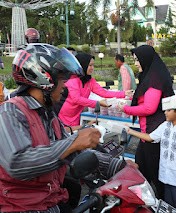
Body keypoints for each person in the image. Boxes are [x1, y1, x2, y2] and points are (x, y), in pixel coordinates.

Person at [0, 43, 128, 212]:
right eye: (60, 79)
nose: (64, 86)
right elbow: (18, 163)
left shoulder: (48, 115)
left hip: (51, 199)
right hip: (22, 207)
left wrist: (117, 165)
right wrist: (74, 143)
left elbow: (72, 148)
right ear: (43, 79)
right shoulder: (10, 112)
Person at [118, 45, 175, 199]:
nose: (136, 64)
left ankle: (161, 203)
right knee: (142, 168)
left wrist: (126, 109)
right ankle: (146, 201)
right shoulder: (149, 75)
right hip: (147, 132)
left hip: (155, 133)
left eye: (137, 60)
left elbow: (149, 108)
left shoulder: (155, 78)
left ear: (145, 59)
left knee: (155, 174)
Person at [127, 101, 176, 213]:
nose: (165, 113)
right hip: (167, 177)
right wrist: (130, 131)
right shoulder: (164, 126)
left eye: (168, 110)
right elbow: (150, 137)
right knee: (169, 208)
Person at [58, 53, 134, 126]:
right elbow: (76, 99)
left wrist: (124, 93)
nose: (92, 68)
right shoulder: (73, 79)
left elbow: (104, 93)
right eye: (90, 65)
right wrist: (97, 103)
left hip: (76, 114)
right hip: (64, 115)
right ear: (82, 65)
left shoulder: (90, 81)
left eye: (93, 65)